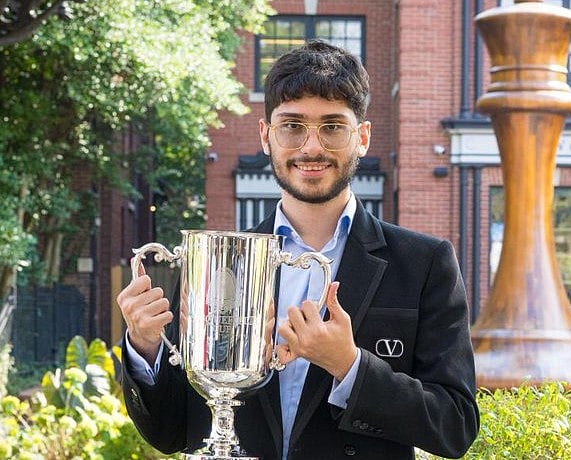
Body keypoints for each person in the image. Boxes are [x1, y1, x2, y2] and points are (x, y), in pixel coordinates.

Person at [116, 40, 480, 460]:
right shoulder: (218, 263)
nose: (311, 147)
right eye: (292, 126)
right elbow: (170, 431)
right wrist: (144, 346)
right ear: (266, 136)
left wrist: (350, 366)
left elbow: (455, 426)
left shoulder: (424, 264)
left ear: (361, 137)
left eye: (332, 126)